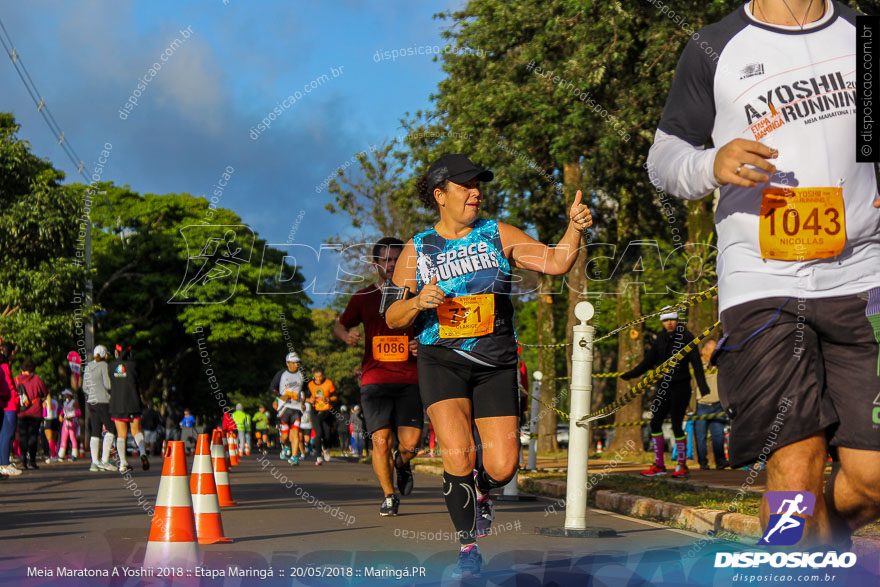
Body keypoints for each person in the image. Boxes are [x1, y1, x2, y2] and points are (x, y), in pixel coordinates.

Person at [647, 0, 880, 547]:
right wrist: (710, 163)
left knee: (872, 480)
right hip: (763, 279)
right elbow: (663, 158)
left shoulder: (861, 34)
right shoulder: (713, 46)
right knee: (796, 468)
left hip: (865, 276)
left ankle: (807, 548)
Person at [385, 153, 593, 578]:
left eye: (479, 184)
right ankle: (468, 548)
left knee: (503, 466)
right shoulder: (419, 248)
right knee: (457, 455)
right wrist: (418, 301)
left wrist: (574, 228)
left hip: (495, 360)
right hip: (441, 358)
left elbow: (555, 262)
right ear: (441, 195)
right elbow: (391, 317)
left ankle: (479, 492)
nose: (476, 192)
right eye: (466, 185)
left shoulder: (497, 234)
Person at [334, 236, 424, 515]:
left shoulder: (418, 295)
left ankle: (402, 464)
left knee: (411, 445)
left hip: (411, 379)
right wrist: (346, 334)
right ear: (376, 264)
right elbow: (339, 325)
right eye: (385, 260)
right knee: (380, 441)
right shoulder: (363, 297)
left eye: (396, 260)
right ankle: (388, 495)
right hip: (375, 380)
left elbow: (435, 330)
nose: (390, 264)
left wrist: (421, 342)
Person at [621, 309, 710, 479]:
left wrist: (703, 387)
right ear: (662, 322)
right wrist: (631, 374)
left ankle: (682, 465)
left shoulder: (687, 337)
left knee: (677, 425)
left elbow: (697, 363)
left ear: (677, 320)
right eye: (665, 320)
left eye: (672, 320)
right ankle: (659, 464)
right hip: (663, 386)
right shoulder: (660, 338)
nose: (669, 323)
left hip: (681, 386)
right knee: (655, 423)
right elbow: (648, 361)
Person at [108, 343, 148, 472]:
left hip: (117, 403)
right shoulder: (134, 365)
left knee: (121, 434)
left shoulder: (111, 366)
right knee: (137, 431)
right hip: (133, 402)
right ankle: (142, 452)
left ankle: (123, 463)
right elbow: (139, 382)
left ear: (117, 352)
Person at [693, 340, 728, 470]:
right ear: (704, 351)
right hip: (702, 405)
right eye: (711, 350)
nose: (714, 353)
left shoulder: (719, 364)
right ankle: (703, 462)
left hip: (718, 405)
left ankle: (720, 461)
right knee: (701, 436)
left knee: (718, 434)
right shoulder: (697, 365)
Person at [83, 345, 116, 472]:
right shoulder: (104, 366)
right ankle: (104, 460)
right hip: (103, 401)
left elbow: (84, 387)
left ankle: (94, 462)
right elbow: (108, 384)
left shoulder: (88, 366)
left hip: (91, 401)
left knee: (95, 430)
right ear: (103, 355)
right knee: (111, 429)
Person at [268, 352, 304, 465]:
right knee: (284, 436)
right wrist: (279, 396)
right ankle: (286, 445)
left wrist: (304, 400)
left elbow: (307, 390)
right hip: (284, 407)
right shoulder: (281, 374)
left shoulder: (302, 374)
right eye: (293, 363)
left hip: (297, 408)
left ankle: (294, 457)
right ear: (287, 363)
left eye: (297, 363)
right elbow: (272, 388)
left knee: (296, 432)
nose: (296, 365)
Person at [15, 359, 49, 470]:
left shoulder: (16, 380)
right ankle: (32, 461)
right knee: (33, 436)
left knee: (23, 436)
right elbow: (45, 392)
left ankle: (23, 460)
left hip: (21, 412)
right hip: (35, 412)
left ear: (22, 369)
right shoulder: (37, 379)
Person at [305, 367, 337, 465]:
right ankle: (319, 457)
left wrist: (328, 399)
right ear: (313, 376)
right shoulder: (310, 385)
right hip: (315, 411)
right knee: (318, 434)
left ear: (323, 375)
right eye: (316, 377)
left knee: (327, 435)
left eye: (320, 376)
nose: (318, 379)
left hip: (326, 411)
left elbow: (335, 396)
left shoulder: (328, 383)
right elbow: (305, 398)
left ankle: (326, 449)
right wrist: (309, 400)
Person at [0, 342, 20, 476]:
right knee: (6, 436)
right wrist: (17, 400)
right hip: (9, 405)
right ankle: (4, 464)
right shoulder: (4, 366)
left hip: (7, 404)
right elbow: (8, 387)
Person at [58, 389, 80, 461]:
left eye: (65, 394)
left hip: (72, 421)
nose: (64, 395)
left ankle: (74, 454)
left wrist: (71, 417)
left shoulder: (74, 402)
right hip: (66, 422)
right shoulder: (65, 402)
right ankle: (61, 454)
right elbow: (63, 411)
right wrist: (60, 416)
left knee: (72, 437)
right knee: (63, 437)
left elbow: (78, 412)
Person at [42, 391, 60, 463]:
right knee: (54, 439)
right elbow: (59, 411)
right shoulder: (55, 401)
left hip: (48, 421)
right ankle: (55, 455)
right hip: (55, 420)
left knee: (50, 440)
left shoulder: (45, 402)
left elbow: (44, 414)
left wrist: (43, 408)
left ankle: (53, 456)